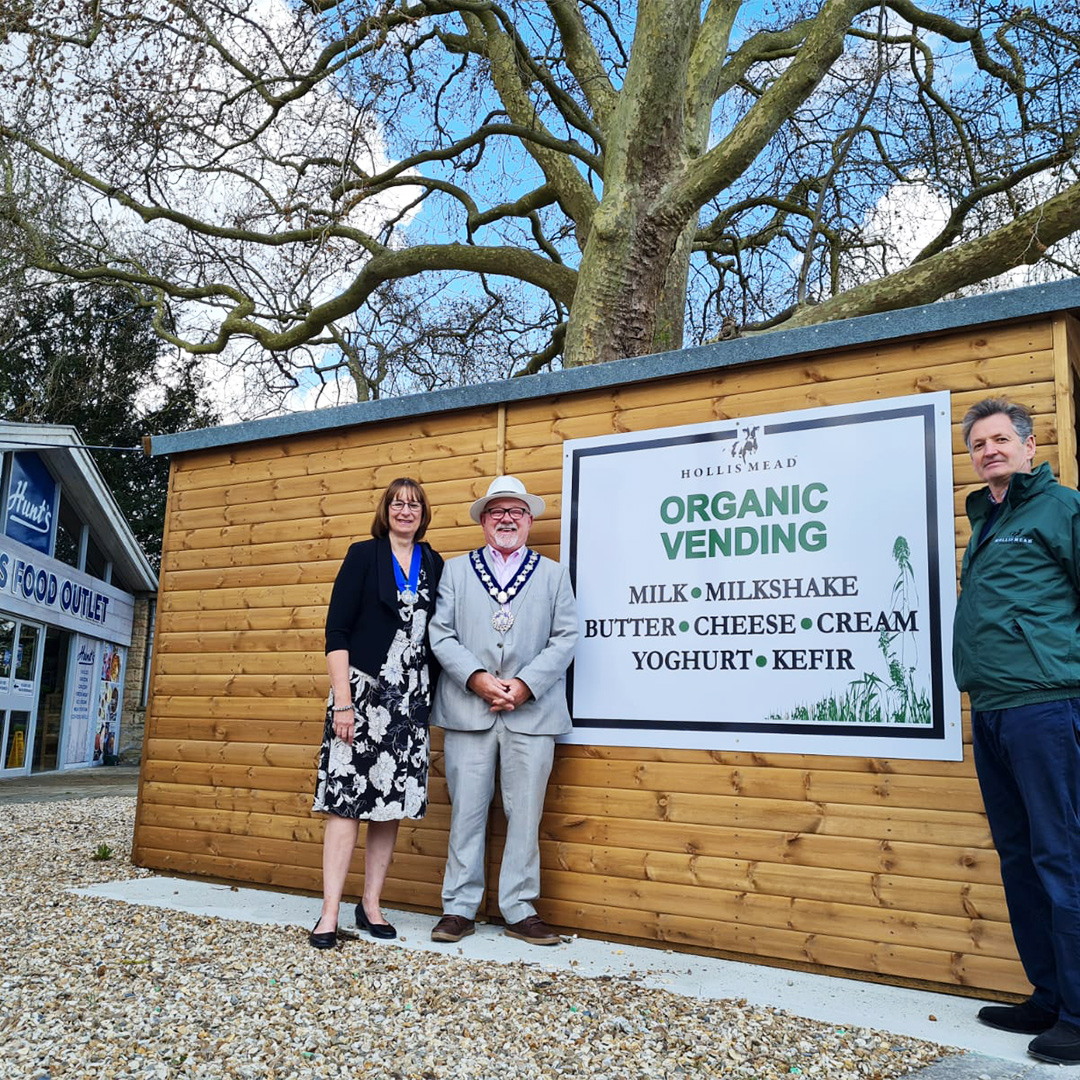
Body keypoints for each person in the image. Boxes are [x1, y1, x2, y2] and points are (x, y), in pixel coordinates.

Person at [953, 397, 1080, 1065]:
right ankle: (1050, 995)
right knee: (1019, 853)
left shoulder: (1060, 509)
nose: (990, 451)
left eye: (1001, 439)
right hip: (994, 707)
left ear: (1030, 447)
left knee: (1061, 854)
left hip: (1046, 706)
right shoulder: (989, 519)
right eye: (979, 444)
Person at [428, 475, 578, 946]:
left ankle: (519, 907)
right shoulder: (456, 572)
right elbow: (440, 634)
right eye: (497, 511)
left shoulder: (552, 574)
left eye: (516, 511)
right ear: (484, 521)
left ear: (529, 521)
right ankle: (459, 907)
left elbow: (566, 637)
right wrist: (476, 677)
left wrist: (525, 686)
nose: (506, 519)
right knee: (466, 813)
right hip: (467, 711)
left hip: (532, 713)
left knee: (525, 814)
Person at [309, 478, 443, 948]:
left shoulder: (434, 563)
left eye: (414, 504)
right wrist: (343, 701)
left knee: (389, 807)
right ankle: (329, 912)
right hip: (361, 696)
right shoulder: (363, 555)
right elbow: (337, 632)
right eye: (397, 503)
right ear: (385, 511)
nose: (406, 511)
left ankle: (370, 905)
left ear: (424, 514)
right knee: (345, 803)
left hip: (409, 702)